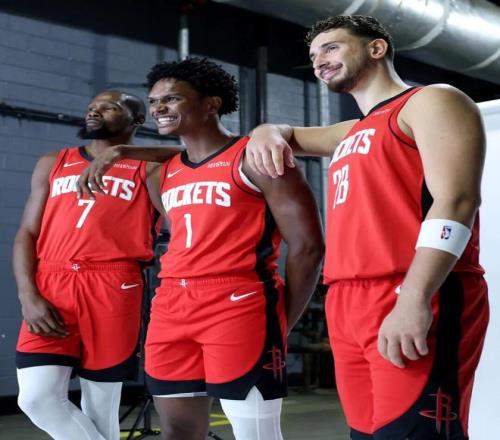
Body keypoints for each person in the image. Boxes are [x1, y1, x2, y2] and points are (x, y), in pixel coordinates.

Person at [246, 15, 488, 440]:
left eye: (331, 47)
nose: (319, 61)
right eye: (313, 55)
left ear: (376, 48)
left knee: (416, 433)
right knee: (367, 434)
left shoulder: (430, 101)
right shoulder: (352, 130)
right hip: (346, 300)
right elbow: (289, 135)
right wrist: (267, 129)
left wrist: (414, 297)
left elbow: (457, 201)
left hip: (412, 288)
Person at [77, 57, 325, 440]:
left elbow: (308, 248)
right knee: (177, 432)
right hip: (171, 306)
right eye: (154, 101)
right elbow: (189, 162)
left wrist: (281, 322)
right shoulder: (164, 173)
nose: (159, 108)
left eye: (172, 99)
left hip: (238, 301)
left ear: (211, 104)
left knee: (254, 432)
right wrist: (121, 151)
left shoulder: (257, 159)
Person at [12, 90, 170, 440]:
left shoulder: (151, 168)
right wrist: (27, 294)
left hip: (114, 285)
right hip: (52, 283)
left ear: (137, 120)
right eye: (91, 108)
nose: (95, 112)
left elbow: (196, 156)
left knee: (100, 407)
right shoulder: (54, 161)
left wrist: (122, 152)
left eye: (109, 107)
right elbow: (27, 233)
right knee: (36, 399)